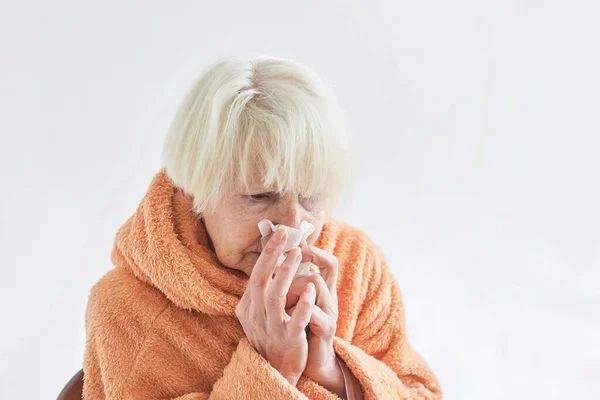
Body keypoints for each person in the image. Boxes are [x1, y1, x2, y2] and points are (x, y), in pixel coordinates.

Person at [82, 56, 441, 399]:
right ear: (195, 191)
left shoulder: (355, 265)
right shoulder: (127, 307)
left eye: (312, 197)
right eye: (260, 195)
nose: (292, 227)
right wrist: (274, 371)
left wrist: (332, 370)